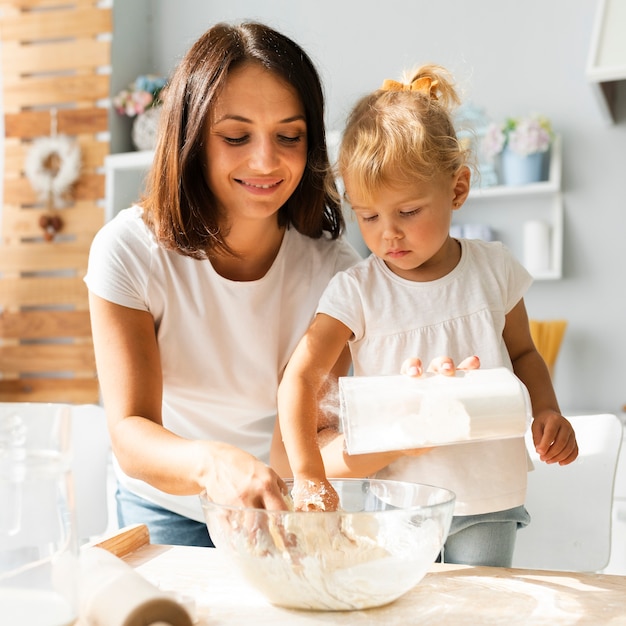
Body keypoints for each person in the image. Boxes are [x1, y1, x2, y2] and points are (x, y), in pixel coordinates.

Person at [275, 64, 578, 566]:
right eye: (368, 216)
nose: (387, 234)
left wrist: (547, 410)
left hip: (490, 495)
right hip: (400, 501)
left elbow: (524, 353)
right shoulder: (357, 290)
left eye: (408, 212)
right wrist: (309, 474)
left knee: (479, 611)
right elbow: (299, 379)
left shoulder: (494, 268)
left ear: (457, 190)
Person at [84, 21, 362, 546]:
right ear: (191, 139)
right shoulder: (129, 251)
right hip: (162, 504)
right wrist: (213, 464)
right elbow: (129, 434)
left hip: (272, 503)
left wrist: (299, 497)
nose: (266, 160)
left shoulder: (336, 273)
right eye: (236, 136)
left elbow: (295, 440)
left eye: (289, 136)